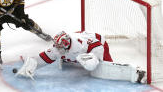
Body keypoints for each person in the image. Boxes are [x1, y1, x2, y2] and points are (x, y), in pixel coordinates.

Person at [15, 31, 147, 84]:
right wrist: (32, 63)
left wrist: (93, 61)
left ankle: (136, 73)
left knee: (99, 70)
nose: (57, 48)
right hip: (80, 41)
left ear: (66, 45)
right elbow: (45, 57)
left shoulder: (85, 46)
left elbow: (97, 48)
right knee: (61, 57)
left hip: (98, 43)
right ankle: (71, 59)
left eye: (60, 47)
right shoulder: (60, 47)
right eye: (57, 46)